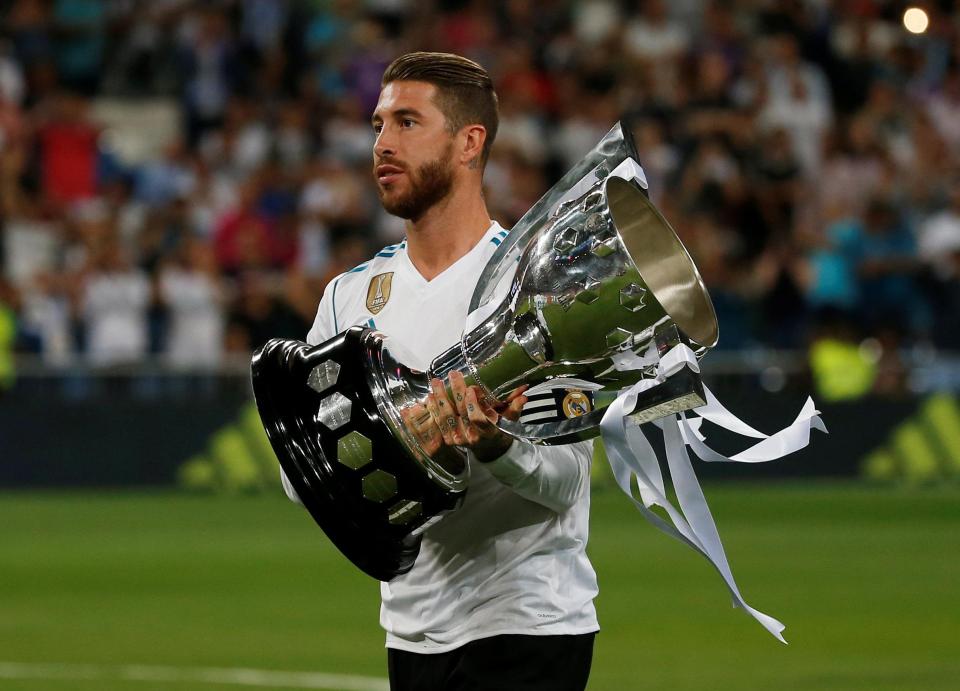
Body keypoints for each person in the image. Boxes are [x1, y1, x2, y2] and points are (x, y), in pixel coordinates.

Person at [283, 52, 598, 691]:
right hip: (411, 624)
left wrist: (494, 444)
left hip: (529, 618)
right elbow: (304, 476)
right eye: (378, 125)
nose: (382, 144)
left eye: (406, 122)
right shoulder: (348, 297)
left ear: (468, 142)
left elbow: (567, 480)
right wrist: (385, 440)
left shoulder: (538, 288)